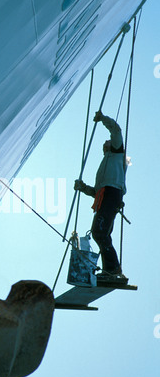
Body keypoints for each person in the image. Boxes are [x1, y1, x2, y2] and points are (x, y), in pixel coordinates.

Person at [74, 110, 128, 282]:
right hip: (106, 196)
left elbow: (116, 131)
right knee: (101, 233)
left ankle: (112, 269)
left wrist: (103, 118)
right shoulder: (105, 164)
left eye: (107, 141)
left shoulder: (117, 153)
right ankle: (110, 270)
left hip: (112, 194)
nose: (105, 142)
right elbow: (96, 191)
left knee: (99, 232)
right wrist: (82, 188)